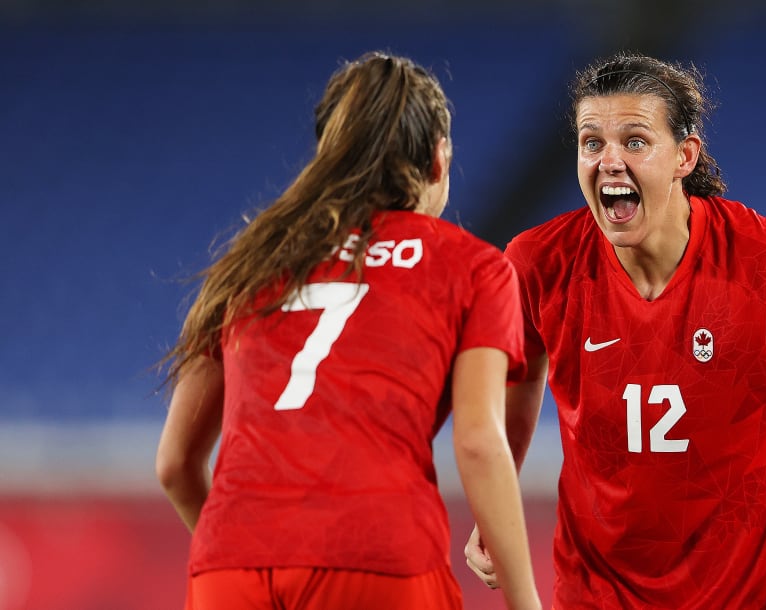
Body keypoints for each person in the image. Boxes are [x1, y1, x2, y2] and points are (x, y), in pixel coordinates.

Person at [464, 51, 766, 609]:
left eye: (634, 142)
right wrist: (497, 498)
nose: (609, 161)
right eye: (593, 142)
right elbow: (519, 379)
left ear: (685, 156)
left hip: (753, 587)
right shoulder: (538, 262)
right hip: (599, 588)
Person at [155, 51, 542, 610]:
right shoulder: (472, 267)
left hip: (230, 562)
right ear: (440, 160)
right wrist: (526, 600)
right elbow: (480, 442)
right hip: (377, 551)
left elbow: (174, 464)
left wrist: (242, 552)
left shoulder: (251, 261)